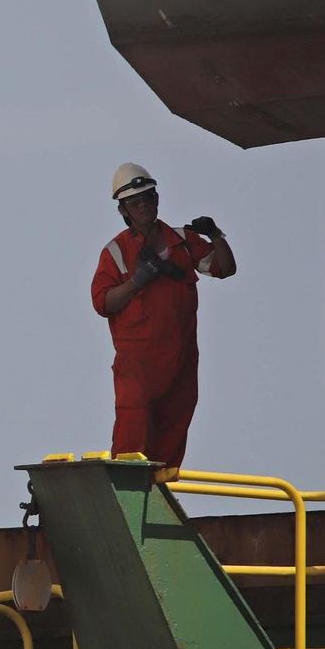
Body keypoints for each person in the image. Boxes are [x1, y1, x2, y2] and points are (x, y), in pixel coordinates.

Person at [90, 163, 235, 470]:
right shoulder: (116, 252)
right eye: (134, 201)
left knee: (175, 425)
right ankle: (126, 495)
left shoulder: (182, 240)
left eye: (146, 196)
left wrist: (216, 234)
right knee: (133, 430)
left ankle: (159, 496)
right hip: (138, 367)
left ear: (157, 198)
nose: (142, 204)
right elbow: (103, 302)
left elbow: (224, 268)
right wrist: (138, 281)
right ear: (123, 210)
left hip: (180, 359)